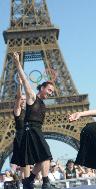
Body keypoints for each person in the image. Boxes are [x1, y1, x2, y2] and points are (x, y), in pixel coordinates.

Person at [13, 52, 57, 189]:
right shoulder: (32, 96)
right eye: (49, 90)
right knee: (47, 155)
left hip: (36, 129)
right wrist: (17, 63)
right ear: (42, 88)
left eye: (52, 92)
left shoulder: (43, 103)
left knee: (42, 158)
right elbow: (25, 80)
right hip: (30, 129)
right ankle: (45, 183)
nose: (50, 93)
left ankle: (29, 180)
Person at [10, 77, 31, 180]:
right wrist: (20, 85)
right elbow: (18, 97)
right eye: (22, 99)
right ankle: (27, 182)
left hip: (26, 135)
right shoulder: (17, 110)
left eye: (24, 99)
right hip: (20, 136)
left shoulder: (26, 111)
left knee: (24, 165)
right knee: (25, 162)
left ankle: (24, 182)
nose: (23, 100)